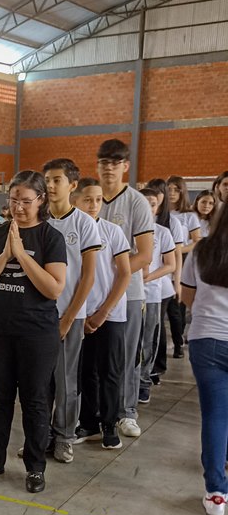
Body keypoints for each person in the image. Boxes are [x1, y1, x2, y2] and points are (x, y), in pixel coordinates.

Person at [0, 171, 67, 494]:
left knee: (35, 399)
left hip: (37, 332)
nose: (19, 207)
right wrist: (5, 255)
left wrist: (23, 255)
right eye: (14, 200)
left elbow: (53, 288)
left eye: (26, 201)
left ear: (41, 201)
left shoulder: (51, 238)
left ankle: (35, 467)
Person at [43, 158, 101, 464]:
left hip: (70, 315)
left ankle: (64, 436)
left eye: (57, 180)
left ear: (72, 185)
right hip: (38, 317)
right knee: (39, 382)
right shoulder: (39, 220)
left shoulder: (83, 223)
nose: (51, 186)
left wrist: (68, 317)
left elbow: (88, 276)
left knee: (65, 382)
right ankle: (40, 437)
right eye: (47, 180)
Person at [97, 139, 153, 438]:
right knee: (93, 358)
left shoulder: (136, 202)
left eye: (115, 162)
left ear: (125, 166)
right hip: (91, 292)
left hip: (128, 292)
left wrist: (113, 271)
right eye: (104, 162)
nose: (109, 168)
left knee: (126, 355)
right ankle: (95, 414)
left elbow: (144, 254)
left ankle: (127, 411)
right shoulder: (89, 198)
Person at [73, 178, 131, 450]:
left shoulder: (112, 232)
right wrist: (79, 313)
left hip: (110, 314)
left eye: (98, 199)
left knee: (110, 371)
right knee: (86, 371)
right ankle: (89, 423)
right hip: (79, 314)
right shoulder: (69, 231)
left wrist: (103, 312)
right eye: (88, 199)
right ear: (75, 200)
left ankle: (110, 423)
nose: (94, 204)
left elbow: (124, 273)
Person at [181, 201, 228, 515]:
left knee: (215, 415)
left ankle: (216, 494)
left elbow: (187, 297)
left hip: (206, 339)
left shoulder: (201, 251)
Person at [138, 188, 176, 406]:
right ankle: (129, 383)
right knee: (130, 341)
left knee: (148, 340)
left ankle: (143, 383)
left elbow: (170, 264)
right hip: (128, 295)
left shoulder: (162, 232)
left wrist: (148, 277)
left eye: (152, 203)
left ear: (157, 207)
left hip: (151, 294)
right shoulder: (128, 229)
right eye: (143, 202)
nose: (148, 207)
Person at [167, 176, 201, 255]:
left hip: (181, 256)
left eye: (176, 190)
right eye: (169, 189)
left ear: (182, 192)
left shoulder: (190, 215)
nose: (172, 193)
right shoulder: (159, 214)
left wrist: (177, 251)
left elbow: (197, 242)